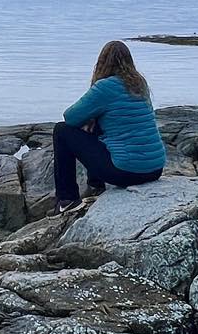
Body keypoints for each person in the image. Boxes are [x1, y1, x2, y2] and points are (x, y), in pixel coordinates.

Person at [53, 39, 166, 211]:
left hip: (127, 172)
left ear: (102, 63)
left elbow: (70, 118)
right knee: (98, 122)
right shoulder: (140, 84)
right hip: (155, 169)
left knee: (61, 130)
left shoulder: (105, 87)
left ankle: (67, 200)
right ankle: (95, 187)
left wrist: (89, 119)